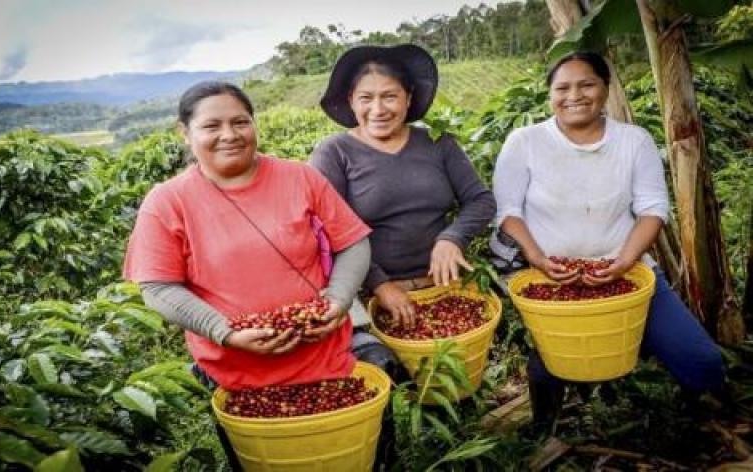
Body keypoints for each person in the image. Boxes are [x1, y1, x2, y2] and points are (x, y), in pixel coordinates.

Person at [123, 81, 373, 470]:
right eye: (211, 126)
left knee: (345, 456)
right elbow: (157, 287)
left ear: (254, 124)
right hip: (236, 371)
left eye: (240, 122)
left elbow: (353, 242)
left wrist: (338, 301)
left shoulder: (300, 178)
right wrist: (225, 331)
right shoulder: (167, 201)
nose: (229, 135)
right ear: (185, 134)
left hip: (322, 357)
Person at [491, 51, 725, 430]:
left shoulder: (634, 141)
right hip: (551, 275)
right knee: (551, 363)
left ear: (605, 88)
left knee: (703, 361)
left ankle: (691, 417)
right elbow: (508, 212)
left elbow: (652, 210)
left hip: (625, 272)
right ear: (549, 94)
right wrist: (537, 258)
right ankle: (542, 429)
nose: (575, 95)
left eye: (587, 84)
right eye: (562, 88)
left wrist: (624, 260)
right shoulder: (525, 142)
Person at [310, 44, 496, 368]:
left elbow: (480, 200)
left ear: (408, 98)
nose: (378, 109)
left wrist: (452, 238)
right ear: (352, 101)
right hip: (373, 295)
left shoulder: (438, 143)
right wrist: (380, 284)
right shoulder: (334, 152)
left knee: (453, 377)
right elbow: (330, 230)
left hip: (443, 287)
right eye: (366, 98)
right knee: (396, 379)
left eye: (390, 96)